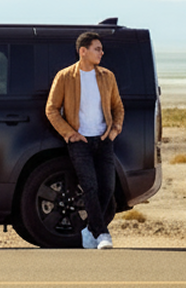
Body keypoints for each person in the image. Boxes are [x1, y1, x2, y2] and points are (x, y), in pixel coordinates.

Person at [44, 31, 126, 249]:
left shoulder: (107, 76)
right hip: (80, 142)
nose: (102, 52)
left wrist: (115, 129)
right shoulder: (65, 77)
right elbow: (51, 109)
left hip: (104, 139)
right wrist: (69, 133)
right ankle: (102, 234)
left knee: (107, 187)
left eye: (101, 49)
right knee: (89, 186)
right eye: (97, 48)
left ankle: (89, 230)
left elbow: (118, 106)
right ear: (83, 51)